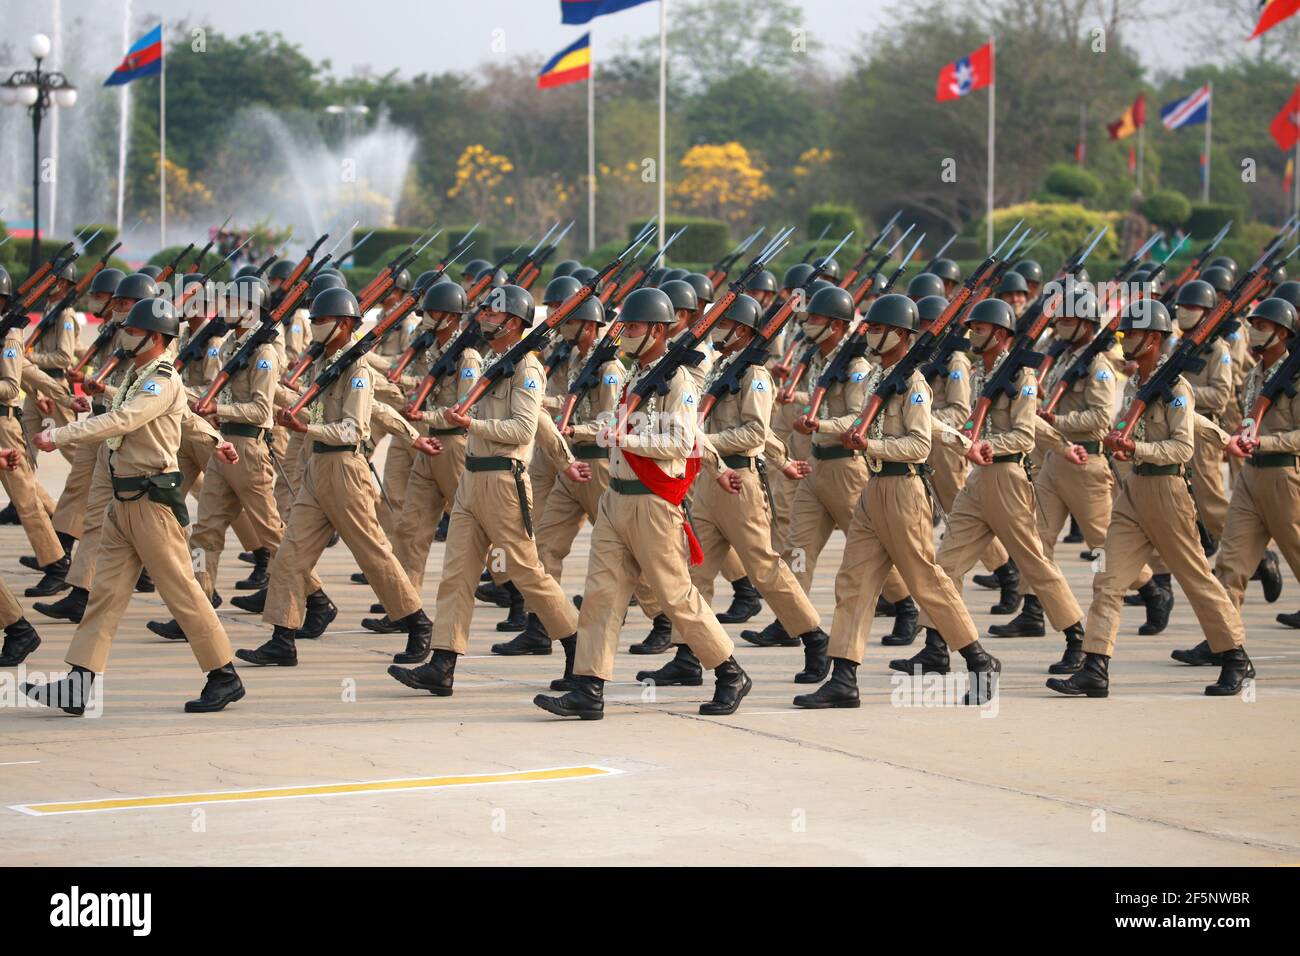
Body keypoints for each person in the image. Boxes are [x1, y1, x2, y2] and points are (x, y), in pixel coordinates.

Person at [531, 287, 752, 720]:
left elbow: (680, 439)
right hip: (616, 499)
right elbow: (649, 430)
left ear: (655, 329)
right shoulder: (637, 377)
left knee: (676, 595)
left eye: (631, 326)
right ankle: (589, 686)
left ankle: (729, 671)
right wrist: (585, 432)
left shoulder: (679, 381)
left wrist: (627, 440)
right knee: (601, 595)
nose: (624, 332)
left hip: (653, 502)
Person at [23, 298, 247, 714]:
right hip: (123, 501)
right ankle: (79, 682)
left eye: (132, 328)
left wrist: (62, 436)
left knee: (181, 590)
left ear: (155, 337)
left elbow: (123, 420)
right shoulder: (138, 375)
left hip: (151, 504)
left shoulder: (159, 380)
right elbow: (187, 419)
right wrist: (218, 442)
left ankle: (224, 675)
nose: (123, 333)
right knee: (104, 594)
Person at [796, 294, 998, 707]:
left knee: (926, 581)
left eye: (876, 328)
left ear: (899, 335)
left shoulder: (915, 384)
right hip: (873, 488)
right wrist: (963, 442)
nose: (868, 334)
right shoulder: (877, 378)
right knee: (853, 581)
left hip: (905, 491)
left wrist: (871, 442)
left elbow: (918, 443)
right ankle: (844, 677)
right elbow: (868, 422)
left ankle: (979, 661)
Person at [386, 284, 586, 696]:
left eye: (493, 315)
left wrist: (470, 426)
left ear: (513, 322)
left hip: (503, 481)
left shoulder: (528, 368)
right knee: (456, 575)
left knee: (528, 572)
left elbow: (524, 428)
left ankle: (577, 648)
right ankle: (442, 664)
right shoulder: (496, 361)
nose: (482, 318)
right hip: (472, 479)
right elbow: (530, 422)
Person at [1047, 299, 1251, 698]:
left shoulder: (1176, 388)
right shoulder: (1141, 383)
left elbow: (1181, 448)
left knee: (1195, 578)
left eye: (1133, 334)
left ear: (1154, 339)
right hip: (1134, 492)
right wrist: (1128, 449)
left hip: (1167, 491)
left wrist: (1138, 450)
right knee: (1108, 580)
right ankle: (1095, 666)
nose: (1125, 341)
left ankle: (1235, 657)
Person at [237, 287, 440, 668]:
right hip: (318, 469)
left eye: (322, 320)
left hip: (346, 470)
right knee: (289, 554)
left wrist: (306, 428)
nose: (315, 326)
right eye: (313, 320)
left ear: (345, 325)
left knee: (373, 554)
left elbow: (353, 429)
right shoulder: (326, 364)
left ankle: (417, 623)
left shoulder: (357, 370)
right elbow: (330, 412)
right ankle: (283, 637)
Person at [638, 293, 828, 688]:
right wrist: (780, 459)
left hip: (740, 483)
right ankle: (688, 656)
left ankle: (814, 638)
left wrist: (702, 440)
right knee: (696, 572)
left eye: (723, 323)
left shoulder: (755, 374)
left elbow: (755, 432)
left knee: (764, 568)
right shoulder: (724, 366)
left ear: (741, 330)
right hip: (711, 480)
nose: (716, 330)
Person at [932, 298, 1086, 654]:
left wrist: (989, 443)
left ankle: (1078, 638)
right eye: (971, 328)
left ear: (1000, 334)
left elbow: (1024, 433)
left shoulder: (1021, 374)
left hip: (1008, 481)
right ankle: (936, 644)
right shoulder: (980, 373)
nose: (972, 334)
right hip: (977, 479)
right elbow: (1010, 421)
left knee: (1034, 563)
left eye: (980, 329)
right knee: (946, 564)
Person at [1175, 297, 1300, 666]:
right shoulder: (1257, 374)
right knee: (1230, 564)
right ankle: (1222, 641)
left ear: (1282, 333)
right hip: (1250, 477)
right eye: (1254, 323)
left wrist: (1263, 442)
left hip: (1284, 477)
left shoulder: (1295, 377)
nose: (1255, 330)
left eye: (1263, 325)